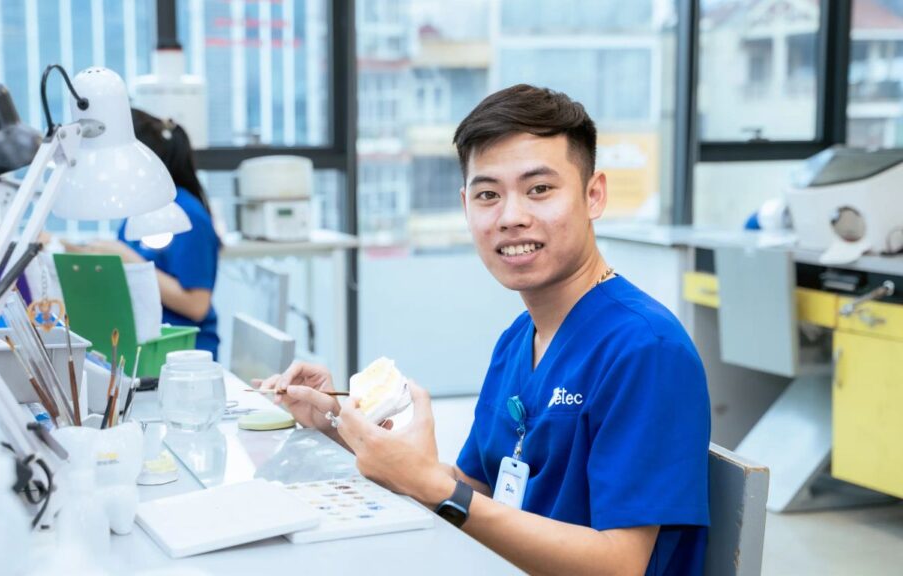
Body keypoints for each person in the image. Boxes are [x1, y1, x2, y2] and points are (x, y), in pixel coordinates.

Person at [256, 85, 710, 575]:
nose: (512, 217)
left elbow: (619, 564)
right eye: (488, 195)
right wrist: (338, 422)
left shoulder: (645, 349)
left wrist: (433, 487)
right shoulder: (520, 338)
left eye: (539, 189)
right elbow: (476, 491)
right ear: (466, 205)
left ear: (593, 194)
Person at [70, 110, 221, 358]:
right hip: (139, 344)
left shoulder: (187, 216)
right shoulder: (140, 207)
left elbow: (197, 305)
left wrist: (126, 257)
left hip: (180, 353)